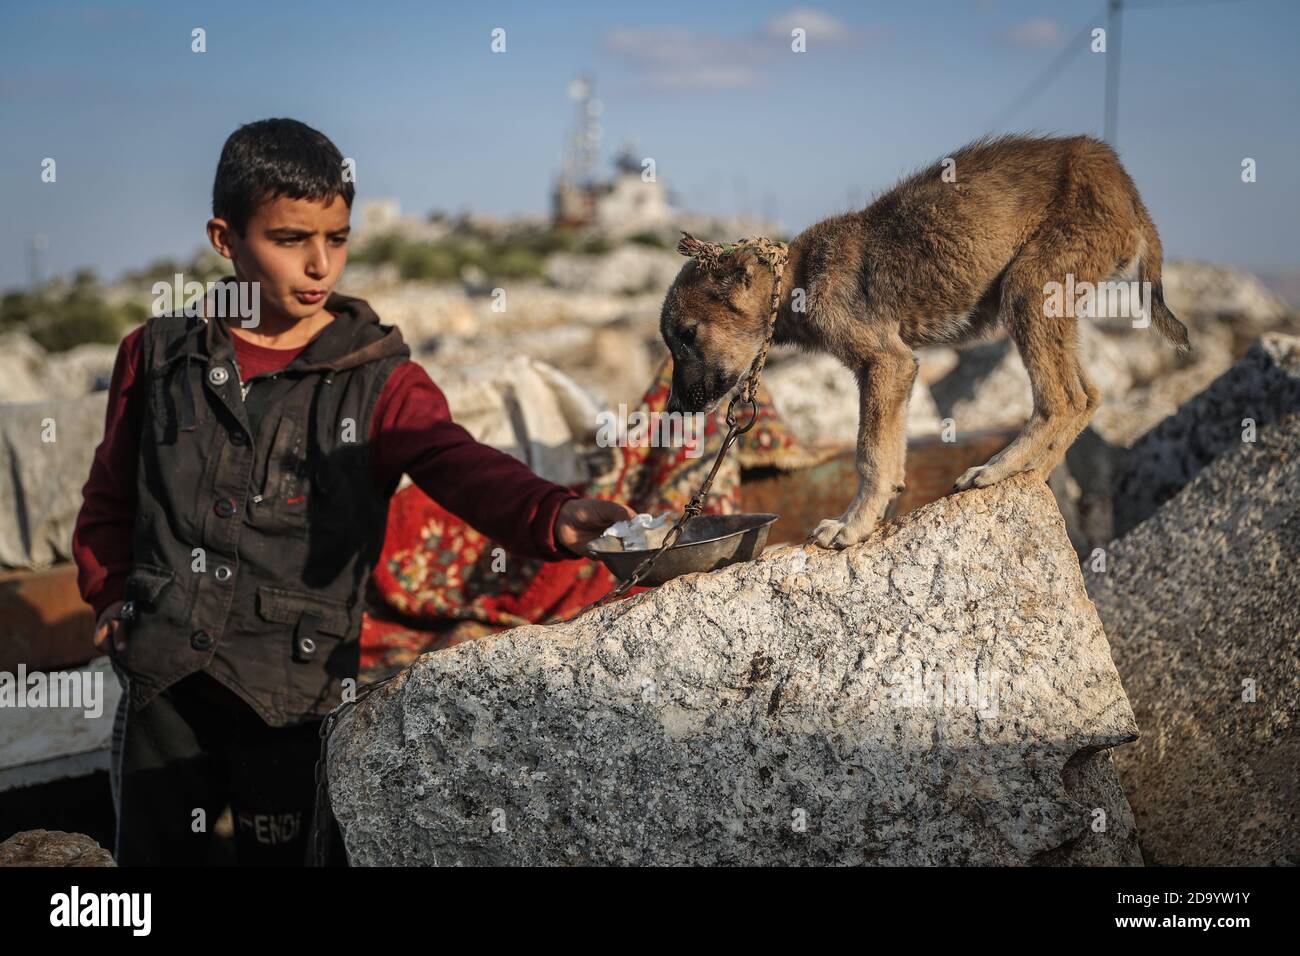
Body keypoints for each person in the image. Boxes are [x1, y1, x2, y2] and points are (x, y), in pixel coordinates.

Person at [72, 117, 633, 866]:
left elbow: (454, 458)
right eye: (289, 239)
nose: (318, 265)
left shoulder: (377, 377)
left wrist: (550, 512)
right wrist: (110, 595)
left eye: (336, 239)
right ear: (224, 239)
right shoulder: (158, 355)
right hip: (162, 688)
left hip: (292, 697)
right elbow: (110, 493)